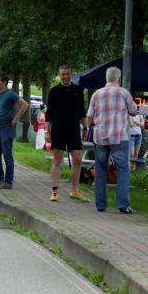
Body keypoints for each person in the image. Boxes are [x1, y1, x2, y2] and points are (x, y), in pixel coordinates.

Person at [86, 66, 137, 214]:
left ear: (106, 78)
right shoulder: (124, 93)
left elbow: (89, 116)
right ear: (119, 80)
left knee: (101, 170)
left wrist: (90, 128)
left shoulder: (96, 94)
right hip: (119, 137)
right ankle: (123, 205)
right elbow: (134, 111)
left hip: (100, 137)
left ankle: (101, 205)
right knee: (122, 171)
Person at [45, 64, 89, 202]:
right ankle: (54, 191)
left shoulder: (78, 90)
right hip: (58, 128)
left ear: (71, 74)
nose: (65, 76)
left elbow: (82, 111)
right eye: (63, 74)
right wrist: (47, 131)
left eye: (67, 74)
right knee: (57, 159)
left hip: (74, 129)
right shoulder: (54, 91)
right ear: (59, 75)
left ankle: (75, 190)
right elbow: (49, 113)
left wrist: (85, 128)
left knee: (77, 159)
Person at [0, 72, 28, 190]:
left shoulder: (10, 94)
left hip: (6, 129)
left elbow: (25, 105)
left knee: (7, 155)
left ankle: (8, 181)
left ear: (4, 82)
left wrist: (16, 118)